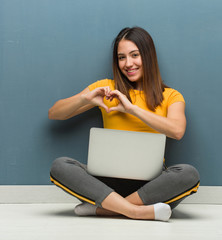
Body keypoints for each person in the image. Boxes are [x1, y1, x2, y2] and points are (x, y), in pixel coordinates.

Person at [48, 27, 200, 222]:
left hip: (150, 185)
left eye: (135, 55)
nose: (128, 64)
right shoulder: (106, 88)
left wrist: (132, 109)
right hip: (104, 183)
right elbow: (55, 113)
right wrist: (85, 99)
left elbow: (177, 131)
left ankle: (104, 209)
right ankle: (136, 211)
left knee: (188, 174)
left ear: (148, 55)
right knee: (60, 166)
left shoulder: (171, 96)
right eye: (121, 57)